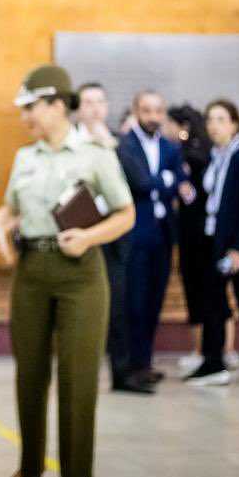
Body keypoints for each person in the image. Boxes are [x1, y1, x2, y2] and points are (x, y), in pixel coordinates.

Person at [0, 65, 135, 477]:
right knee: (29, 374)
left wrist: (88, 236)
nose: (25, 118)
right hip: (32, 271)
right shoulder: (25, 157)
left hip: (81, 276)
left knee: (78, 379)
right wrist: (0, 226)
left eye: (30, 108)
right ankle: (29, 467)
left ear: (56, 104)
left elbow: (127, 214)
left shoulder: (95, 154)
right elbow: (10, 208)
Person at [76, 82, 153, 394]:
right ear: (78, 108)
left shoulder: (119, 142)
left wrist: (113, 146)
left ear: (106, 108)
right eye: (88, 102)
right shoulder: (69, 143)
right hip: (80, 231)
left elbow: (143, 182)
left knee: (118, 305)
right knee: (82, 306)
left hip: (115, 232)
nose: (95, 108)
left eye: (100, 102)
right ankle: (81, 376)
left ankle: (122, 373)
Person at [186, 99, 239, 386]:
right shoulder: (216, 157)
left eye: (221, 119)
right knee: (214, 303)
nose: (213, 125)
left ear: (234, 124)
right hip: (215, 243)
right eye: (210, 119)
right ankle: (213, 362)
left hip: (237, 248)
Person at [164, 104, 238, 376]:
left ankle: (218, 352)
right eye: (211, 120)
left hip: (204, 238)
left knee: (212, 295)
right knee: (203, 293)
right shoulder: (207, 155)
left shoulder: (199, 156)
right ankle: (209, 352)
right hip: (193, 236)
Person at [120, 90, 187, 384]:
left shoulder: (170, 147)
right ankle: (131, 366)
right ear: (136, 110)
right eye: (147, 110)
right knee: (134, 302)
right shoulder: (126, 145)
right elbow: (142, 183)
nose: (153, 117)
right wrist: (167, 181)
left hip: (163, 235)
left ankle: (145, 363)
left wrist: (168, 181)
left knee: (154, 302)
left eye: (158, 111)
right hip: (135, 234)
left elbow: (182, 182)